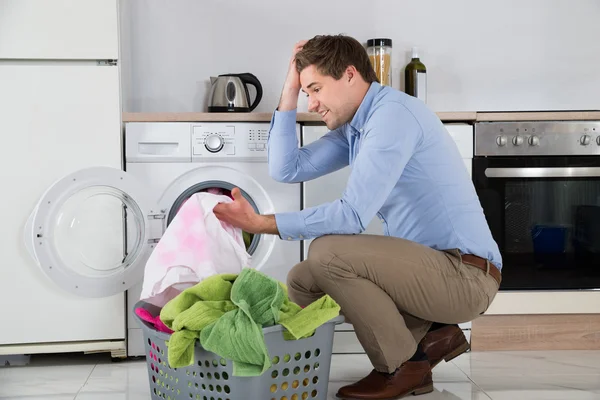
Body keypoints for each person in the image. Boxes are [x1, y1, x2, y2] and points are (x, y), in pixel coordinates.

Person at [213, 34, 502, 400]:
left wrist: (263, 224)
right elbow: (286, 168)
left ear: (349, 74)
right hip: (433, 270)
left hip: (465, 275)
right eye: (306, 93)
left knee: (327, 253)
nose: (312, 103)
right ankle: (306, 369)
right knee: (304, 278)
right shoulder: (356, 126)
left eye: (316, 89)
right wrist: (290, 87)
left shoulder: (392, 117)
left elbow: (352, 216)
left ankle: (404, 365)